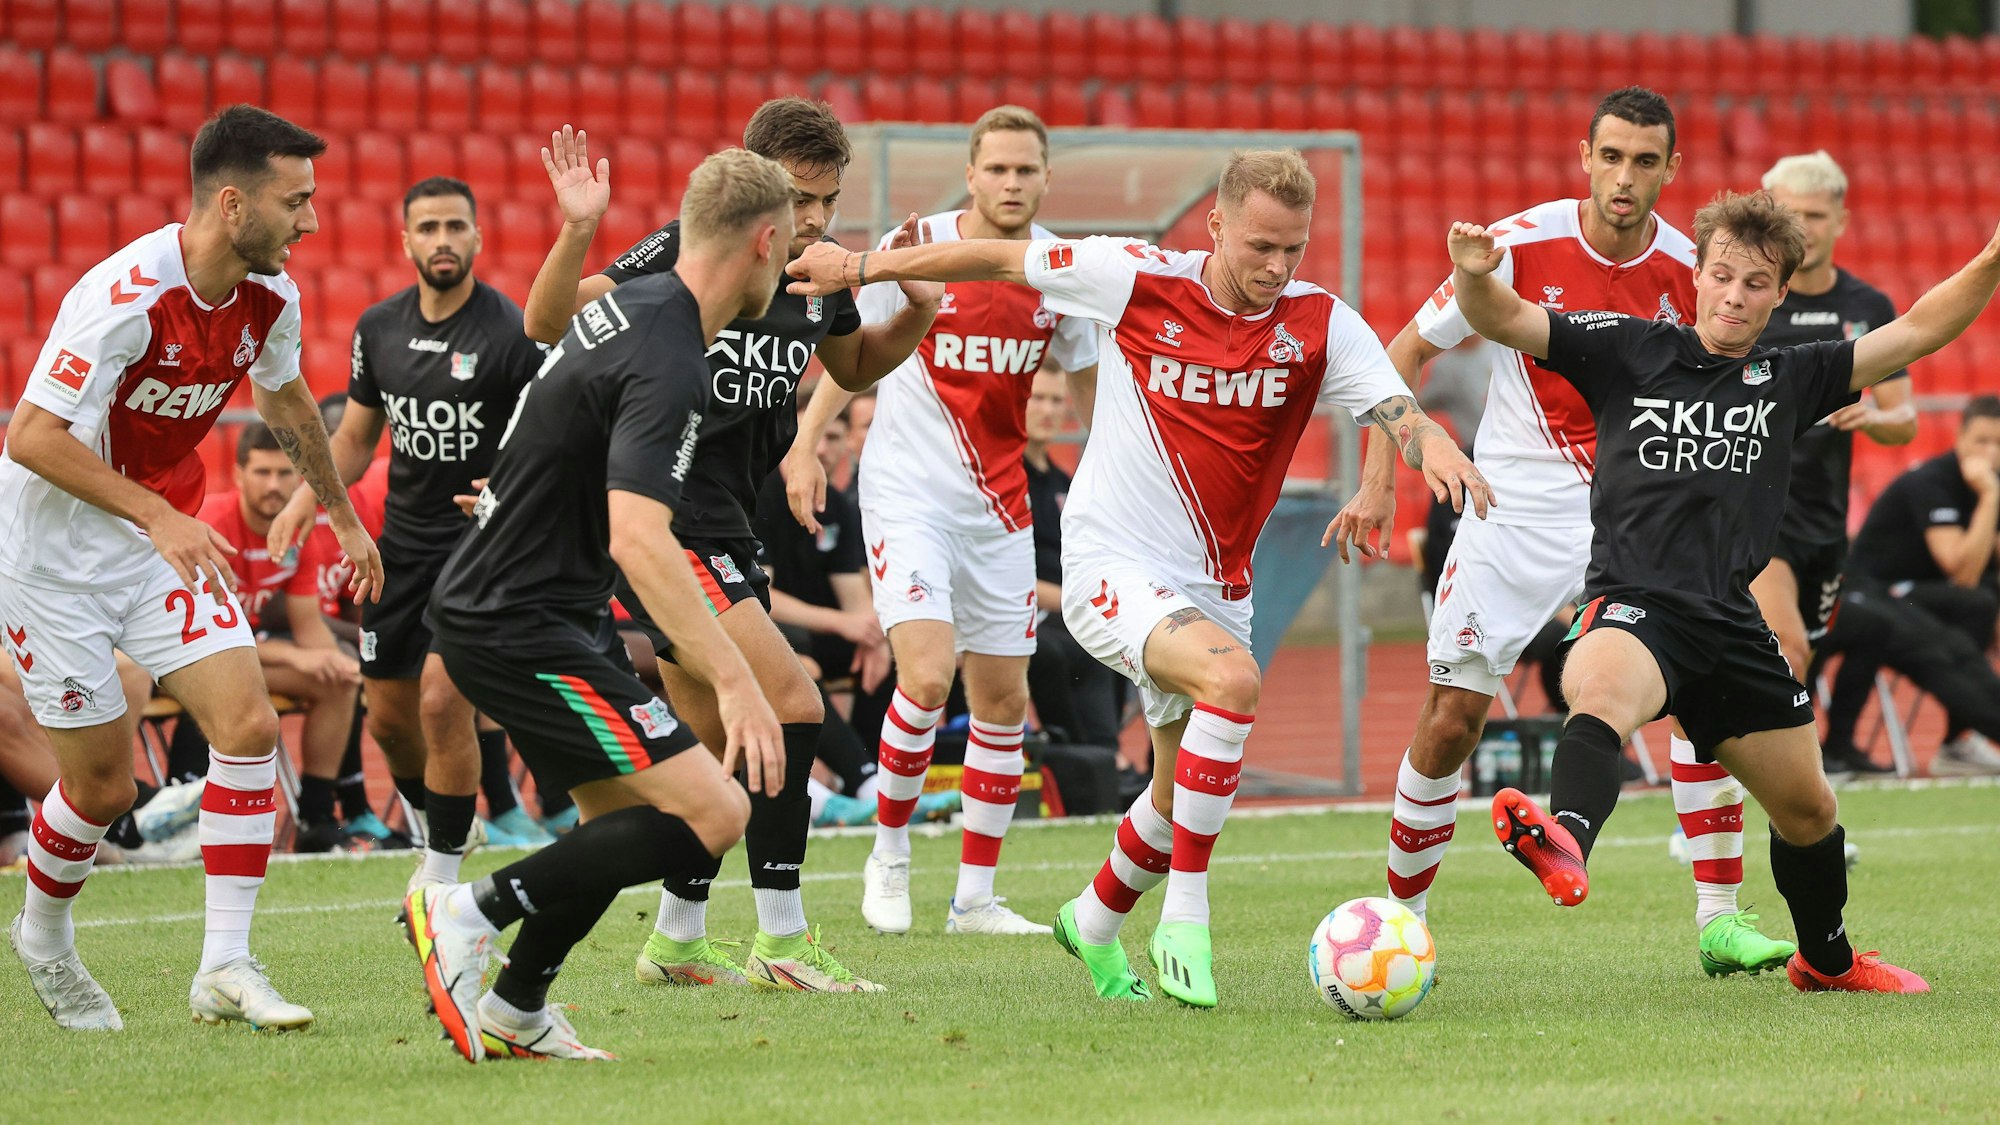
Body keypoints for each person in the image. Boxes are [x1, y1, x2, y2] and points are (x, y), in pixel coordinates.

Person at [788, 148, 1488, 1007]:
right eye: (1260, 246)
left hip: (1213, 586)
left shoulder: (1320, 323)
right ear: (1217, 224)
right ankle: (1185, 917)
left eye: (1292, 251)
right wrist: (862, 266)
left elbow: (1391, 403)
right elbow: (997, 258)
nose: (1275, 268)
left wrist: (1431, 441)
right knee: (1235, 681)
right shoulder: (1135, 276)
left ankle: (1093, 915)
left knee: (1169, 801)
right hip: (1108, 563)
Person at [1460, 189, 2000, 993]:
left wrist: (1991, 261)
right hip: (1637, 603)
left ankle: (1826, 959)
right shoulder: (1627, 348)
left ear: (1780, 293)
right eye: (1722, 276)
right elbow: (1504, 318)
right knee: (1602, 691)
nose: (1735, 296)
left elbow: (1918, 329)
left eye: (1755, 283)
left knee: (1811, 811)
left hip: (1731, 623)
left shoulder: (1792, 374)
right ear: (1697, 277)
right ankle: (1565, 838)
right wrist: (1472, 274)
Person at [1327, 87, 1789, 975]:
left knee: (1701, 691)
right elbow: (1403, 352)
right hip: (1515, 511)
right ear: (1584, 155)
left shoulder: (1695, 268)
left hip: (1639, 510)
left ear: (1671, 169)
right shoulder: (1517, 245)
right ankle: (1401, 921)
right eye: (1611, 156)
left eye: (1645, 161)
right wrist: (1381, 477)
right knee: (1453, 714)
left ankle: (1720, 918)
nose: (1625, 178)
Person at [522, 101, 936, 993]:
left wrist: (918, 315)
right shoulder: (690, 251)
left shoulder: (819, 272)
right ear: (753, 191)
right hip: (665, 529)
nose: (816, 218)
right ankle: (783, 940)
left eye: (828, 199)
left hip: (733, 526)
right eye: (798, 197)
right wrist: (576, 233)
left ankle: (674, 937)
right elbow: (551, 323)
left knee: (709, 746)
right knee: (790, 704)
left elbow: (854, 365)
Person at [405, 148, 794, 1062]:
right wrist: (736, 681)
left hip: (526, 604)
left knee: (613, 818)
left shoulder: (637, 303)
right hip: (522, 618)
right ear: (766, 243)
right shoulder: (673, 355)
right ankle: (465, 911)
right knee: (716, 813)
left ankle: (516, 1008)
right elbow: (640, 539)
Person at [0, 105, 381, 1032]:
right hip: (53, 563)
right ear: (232, 203)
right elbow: (31, 435)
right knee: (101, 789)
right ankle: (44, 937)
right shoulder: (122, 295)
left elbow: (286, 397)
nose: (312, 223)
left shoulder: (272, 297)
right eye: (296, 203)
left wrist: (339, 514)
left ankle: (223, 965)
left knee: (248, 724)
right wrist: (159, 512)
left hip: (153, 542)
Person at [784, 106, 1100, 937]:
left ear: (1045, 178)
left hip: (1000, 507)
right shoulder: (912, 243)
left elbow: (1091, 384)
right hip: (909, 494)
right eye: (995, 168)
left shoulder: (1057, 270)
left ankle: (975, 900)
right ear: (971, 173)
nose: (1010, 183)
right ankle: (887, 856)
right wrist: (806, 443)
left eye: (1025, 170)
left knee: (1003, 700)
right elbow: (853, 354)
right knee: (924, 676)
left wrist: (1110, 485)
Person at [268, 175, 552, 884]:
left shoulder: (511, 331)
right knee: (391, 718)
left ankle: (441, 869)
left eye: (456, 226)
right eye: (428, 228)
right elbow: (358, 437)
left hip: (481, 546)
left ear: (478, 237)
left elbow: (554, 433)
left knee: (440, 699)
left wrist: (514, 484)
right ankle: (440, 823)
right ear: (405, 241)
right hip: (400, 550)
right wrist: (308, 499)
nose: (443, 241)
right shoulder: (379, 327)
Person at [1749, 151, 1916, 777]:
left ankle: (1747, 809)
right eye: (1791, 213)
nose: (1805, 227)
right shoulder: (1745, 295)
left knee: (1794, 671)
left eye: (1817, 215)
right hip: (1753, 512)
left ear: (1841, 220)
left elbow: (1907, 420)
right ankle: (1785, 821)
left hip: (1824, 522)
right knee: (1784, 653)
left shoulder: (1865, 304)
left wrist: (1874, 418)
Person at [201, 423, 360, 852]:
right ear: (237, 475)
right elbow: (203, 637)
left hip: (248, 655)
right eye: (262, 472)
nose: (274, 485)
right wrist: (295, 657)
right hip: (196, 657)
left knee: (340, 679)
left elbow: (310, 629)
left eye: (284, 474)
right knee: (263, 674)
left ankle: (317, 816)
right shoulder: (213, 522)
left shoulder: (295, 529)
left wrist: (340, 663)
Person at [1821, 396, 2000, 775]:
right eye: (1982, 441)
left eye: (1999, 444)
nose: (1990, 453)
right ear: (1959, 437)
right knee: (1950, 626)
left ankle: (1958, 740)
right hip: (1870, 588)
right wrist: (1989, 496)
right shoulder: (1933, 481)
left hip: (1920, 596)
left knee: (1980, 605)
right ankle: (1959, 740)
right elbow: (1962, 570)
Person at [1021, 361, 1126, 753]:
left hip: (1074, 608)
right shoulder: (1002, 478)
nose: (1048, 410)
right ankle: (1084, 754)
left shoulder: (1068, 483)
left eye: (1055, 400)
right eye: (1038, 399)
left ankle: (1105, 760)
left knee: (1123, 638)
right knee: (1072, 646)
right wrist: (1076, 603)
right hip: (1027, 610)